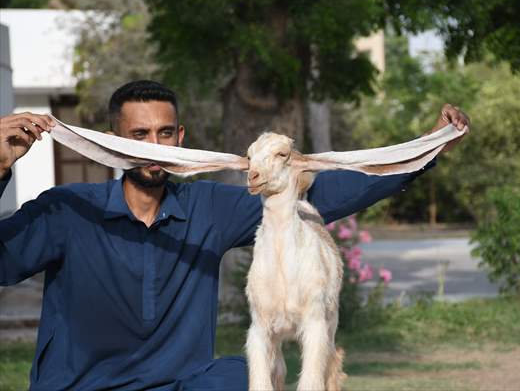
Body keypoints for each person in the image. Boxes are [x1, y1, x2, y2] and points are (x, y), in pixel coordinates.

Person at [0, 80, 469, 390]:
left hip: (178, 385)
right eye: (138, 134)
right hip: (82, 386)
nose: (155, 147)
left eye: (166, 133)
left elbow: (329, 192)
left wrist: (423, 149)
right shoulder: (66, 209)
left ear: (182, 138)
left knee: (245, 375)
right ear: (112, 141)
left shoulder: (207, 209)